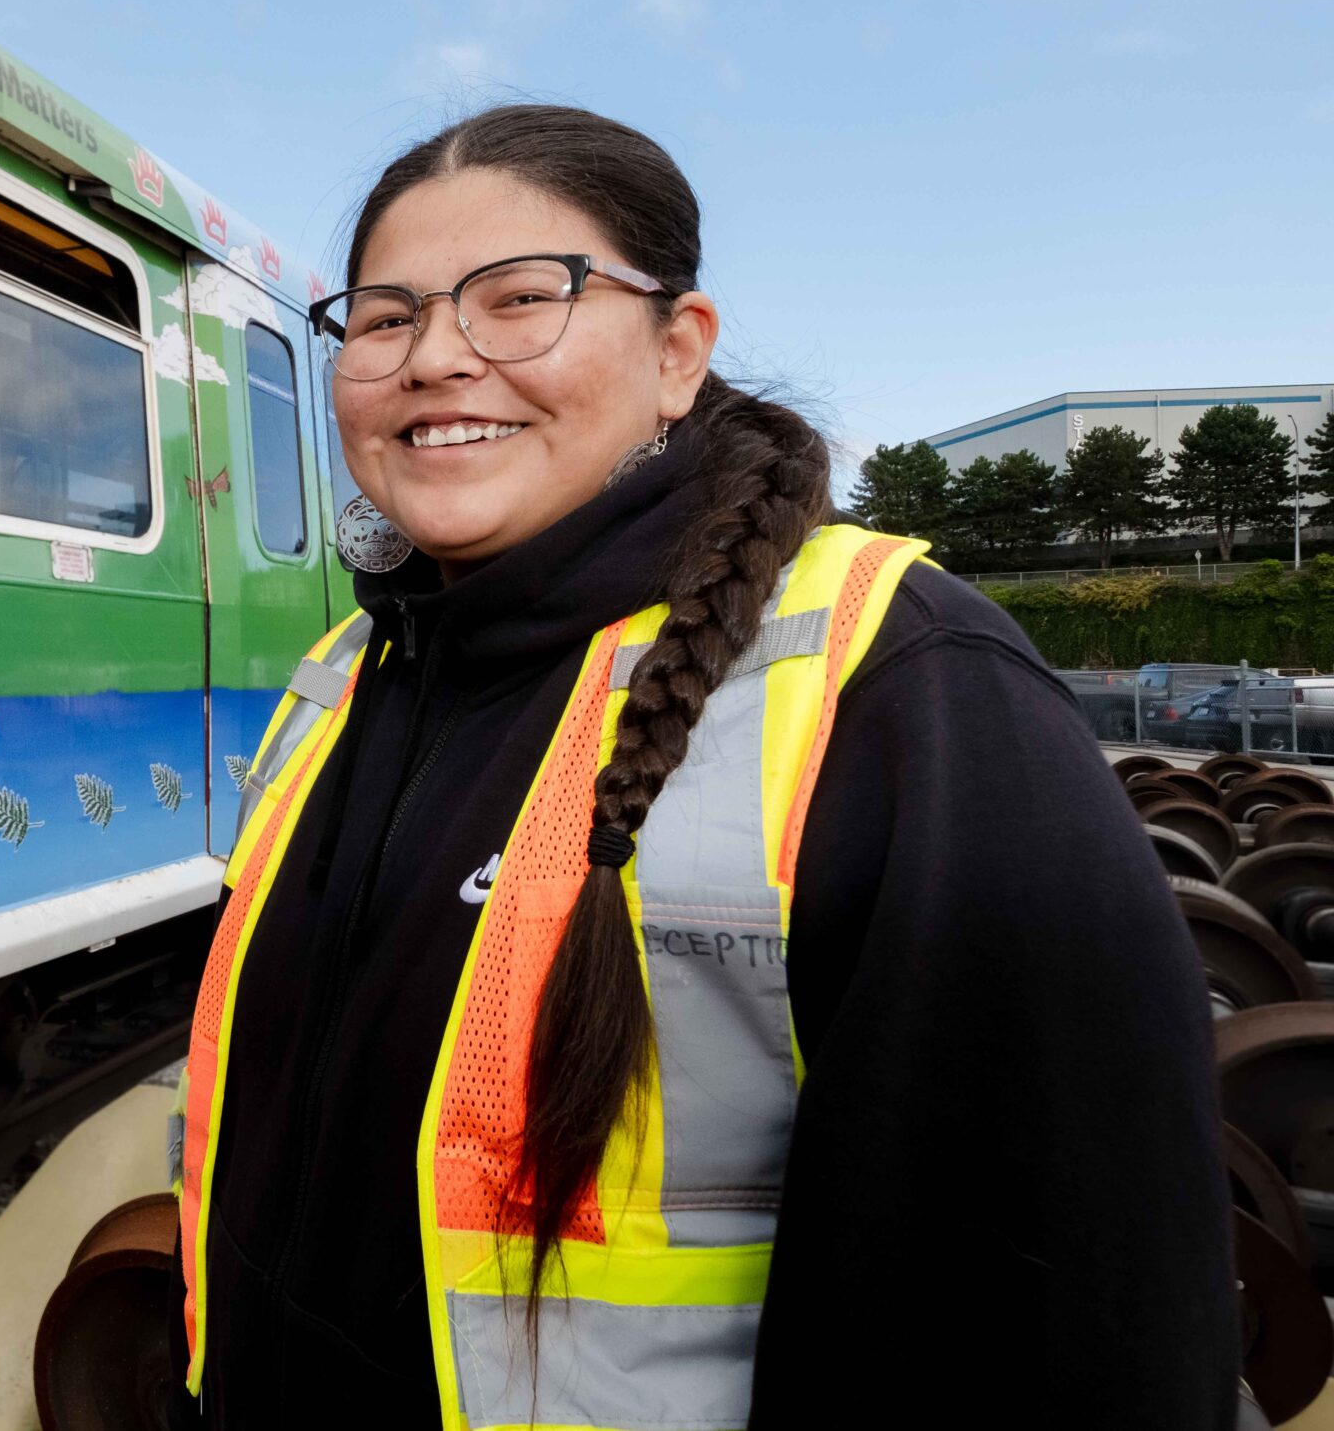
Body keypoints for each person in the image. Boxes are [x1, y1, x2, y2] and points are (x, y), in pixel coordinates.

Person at [172, 105, 1237, 1429]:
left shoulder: (902, 687)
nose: (437, 358)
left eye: (518, 299)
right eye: (385, 319)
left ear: (679, 354)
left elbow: (1062, 1323)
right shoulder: (348, 673)